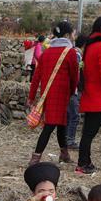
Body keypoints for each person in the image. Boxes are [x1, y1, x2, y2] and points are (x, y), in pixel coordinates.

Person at [28, 21, 79, 166]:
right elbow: (75, 77)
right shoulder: (70, 52)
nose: (74, 36)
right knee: (50, 126)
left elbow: (36, 77)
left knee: (61, 125)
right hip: (62, 96)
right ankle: (35, 157)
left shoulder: (47, 52)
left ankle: (64, 154)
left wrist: (31, 97)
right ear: (67, 35)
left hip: (48, 95)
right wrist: (71, 93)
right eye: (73, 33)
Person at [76, 16, 101, 174]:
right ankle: (83, 163)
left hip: (91, 94)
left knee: (87, 132)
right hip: (100, 96)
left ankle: (85, 161)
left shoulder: (91, 45)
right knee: (89, 133)